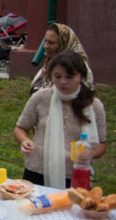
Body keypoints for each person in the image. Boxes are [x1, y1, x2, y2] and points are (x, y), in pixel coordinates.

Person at [14, 51, 106, 188]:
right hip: (38, 170)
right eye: (57, 76)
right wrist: (25, 141)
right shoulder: (40, 98)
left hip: (76, 173)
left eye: (69, 77)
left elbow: (102, 144)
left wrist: (90, 153)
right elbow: (20, 128)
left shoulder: (93, 105)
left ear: (81, 76)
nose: (63, 82)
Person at [30, 22, 93, 95]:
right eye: (45, 41)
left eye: (51, 43)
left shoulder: (78, 67)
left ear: (64, 44)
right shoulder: (48, 64)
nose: (45, 46)